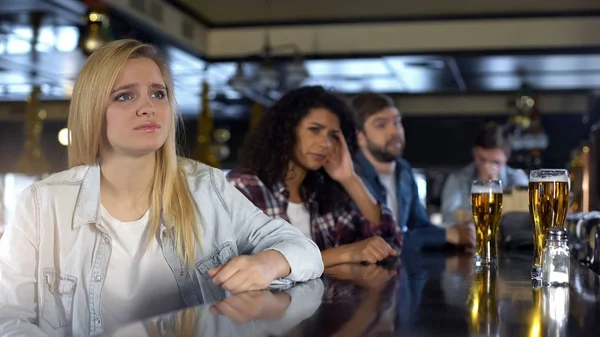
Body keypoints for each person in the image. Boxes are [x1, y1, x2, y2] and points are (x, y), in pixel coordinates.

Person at [0, 39, 323, 337]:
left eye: (158, 93)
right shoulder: (44, 203)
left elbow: (303, 249)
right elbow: (9, 318)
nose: (148, 107)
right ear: (93, 112)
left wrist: (267, 263)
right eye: (124, 95)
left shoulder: (205, 187)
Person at [226, 86, 402, 268]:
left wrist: (350, 179)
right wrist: (343, 254)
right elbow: (250, 268)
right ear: (286, 131)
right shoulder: (244, 187)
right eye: (315, 130)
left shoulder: (323, 194)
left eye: (332, 136)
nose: (325, 143)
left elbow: (389, 246)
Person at [351, 93, 475, 251]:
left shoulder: (404, 170)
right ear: (360, 136)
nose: (394, 131)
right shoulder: (350, 176)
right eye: (381, 125)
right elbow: (377, 241)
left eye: (397, 122)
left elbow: (420, 226)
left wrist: (457, 232)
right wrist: (446, 235)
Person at [441, 123, 528, 224]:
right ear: (474, 153)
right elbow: (448, 219)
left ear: (506, 159)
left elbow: (525, 219)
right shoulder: (457, 179)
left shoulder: (517, 178)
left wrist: (495, 188)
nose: (488, 167)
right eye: (482, 160)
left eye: (496, 162)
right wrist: (482, 188)